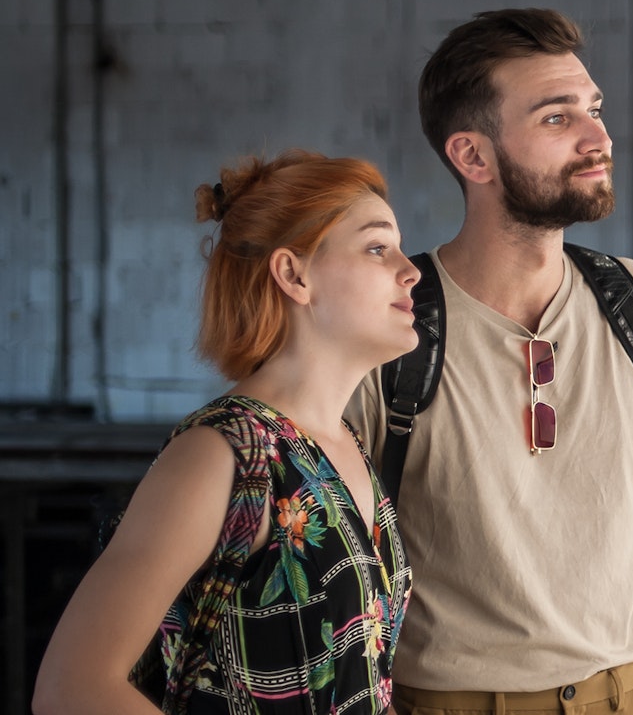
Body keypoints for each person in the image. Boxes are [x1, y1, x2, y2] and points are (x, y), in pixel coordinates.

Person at [343, 8, 633, 715]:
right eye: (556, 118)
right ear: (473, 157)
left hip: (632, 695)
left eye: (594, 109)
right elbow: (334, 557)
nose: (598, 137)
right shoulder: (391, 327)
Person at [33, 151, 419, 715]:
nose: (410, 270)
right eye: (377, 247)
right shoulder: (223, 454)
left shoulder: (345, 444)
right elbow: (73, 689)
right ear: (294, 274)